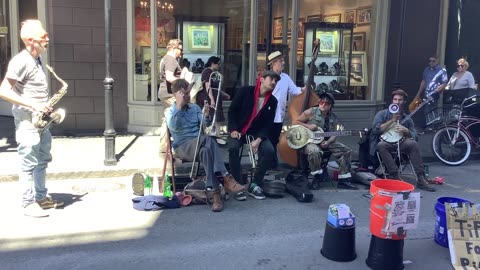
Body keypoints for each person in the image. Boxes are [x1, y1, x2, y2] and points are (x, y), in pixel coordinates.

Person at [0, 20, 64, 217]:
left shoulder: (37, 60)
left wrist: (44, 106)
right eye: (43, 36)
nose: (48, 39)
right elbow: (3, 91)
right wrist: (34, 105)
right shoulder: (20, 61)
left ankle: (41, 197)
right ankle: (28, 203)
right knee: (28, 162)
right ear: (30, 40)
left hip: (41, 120)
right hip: (28, 120)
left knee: (42, 159)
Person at [165, 79, 246, 212]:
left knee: (206, 151)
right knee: (208, 140)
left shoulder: (195, 108)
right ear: (176, 94)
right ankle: (226, 177)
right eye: (184, 93)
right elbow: (174, 126)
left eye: (188, 93)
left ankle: (214, 193)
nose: (188, 96)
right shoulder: (169, 111)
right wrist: (179, 105)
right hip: (183, 147)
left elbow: (205, 125)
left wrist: (206, 116)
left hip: (199, 143)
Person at [227, 70, 279, 200]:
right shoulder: (245, 91)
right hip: (238, 130)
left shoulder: (273, 101)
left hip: (257, 133)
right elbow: (232, 110)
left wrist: (259, 139)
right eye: (271, 79)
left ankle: (255, 183)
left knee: (269, 151)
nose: (273, 82)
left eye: (276, 81)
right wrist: (233, 130)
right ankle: (237, 184)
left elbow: (269, 124)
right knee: (233, 148)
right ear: (261, 79)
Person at [370, 89, 436, 192]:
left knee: (413, 144)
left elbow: (415, 136)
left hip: (401, 142)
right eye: (395, 99)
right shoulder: (382, 114)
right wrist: (392, 120)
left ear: (404, 102)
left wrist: (406, 131)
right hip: (386, 142)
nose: (397, 102)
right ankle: (394, 175)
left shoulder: (407, 118)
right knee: (381, 145)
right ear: (392, 100)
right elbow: (375, 130)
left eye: (400, 100)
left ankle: (421, 178)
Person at [294, 92, 358, 190]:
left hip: (326, 141)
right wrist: (309, 126)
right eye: (321, 102)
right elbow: (296, 122)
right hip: (310, 141)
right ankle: (317, 177)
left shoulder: (333, 117)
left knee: (347, 151)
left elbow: (334, 134)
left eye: (327, 103)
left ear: (331, 106)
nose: (323, 105)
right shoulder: (311, 112)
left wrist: (328, 142)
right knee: (315, 151)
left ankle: (343, 179)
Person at [267, 51, 304, 166]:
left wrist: (303, 90)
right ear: (274, 63)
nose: (283, 63)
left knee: (274, 139)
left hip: (279, 114)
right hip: (267, 114)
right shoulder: (266, 77)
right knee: (267, 139)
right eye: (280, 61)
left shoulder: (285, 77)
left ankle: (272, 163)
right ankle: (268, 163)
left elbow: (294, 90)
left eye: (283, 60)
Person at [195, 56, 230, 142]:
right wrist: (212, 99)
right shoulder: (208, 72)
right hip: (209, 98)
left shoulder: (213, 73)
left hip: (215, 98)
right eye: (218, 64)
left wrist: (224, 94)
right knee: (214, 118)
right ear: (213, 63)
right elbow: (208, 86)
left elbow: (215, 88)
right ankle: (220, 137)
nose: (219, 66)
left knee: (218, 118)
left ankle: (221, 137)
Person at [158, 39, 184, 153]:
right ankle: (179, 146)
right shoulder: (171, 59)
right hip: (170, 94)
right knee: (180, 117)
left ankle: (164, 146)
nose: (181, 52)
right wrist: (183, 81)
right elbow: (169, 77)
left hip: (164, 93)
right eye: (180, 49)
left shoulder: (164, 58)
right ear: (174, 48)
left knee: (166, 119)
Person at [415, 55, 448, 128]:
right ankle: (429, 126)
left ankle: (432, 126)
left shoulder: (441, 70)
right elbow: (423, 81)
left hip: (435, 94)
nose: (431, 62)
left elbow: (444, 83)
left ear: (437, 61)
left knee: (431, 109)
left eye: (433, 61)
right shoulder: (426, 69)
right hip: (426, 93)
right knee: (426, 109)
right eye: (430, 61)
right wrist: (418, 94)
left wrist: (436, 92)